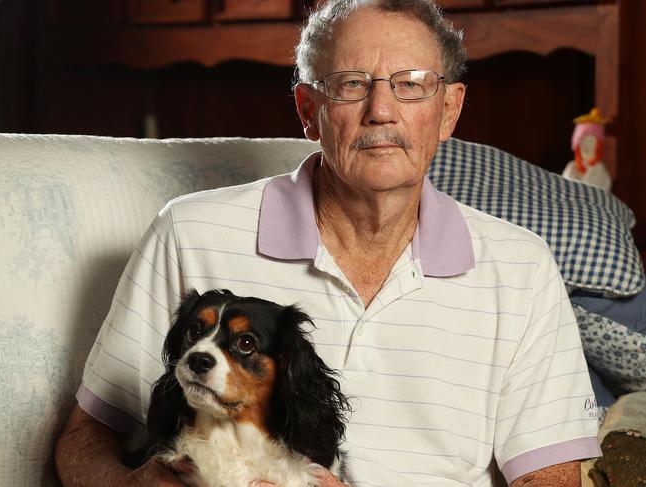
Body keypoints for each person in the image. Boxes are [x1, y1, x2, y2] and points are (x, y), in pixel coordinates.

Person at [55, 1, 602, 485]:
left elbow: (550, 480)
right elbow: (85, 438)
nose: (381, 111)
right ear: (308, 110)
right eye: (351, 83)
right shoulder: (189, 232)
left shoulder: (521, 266)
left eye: (411, 83)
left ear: (449, 110)